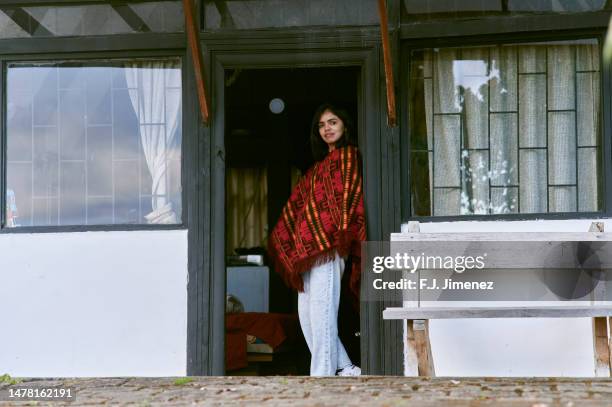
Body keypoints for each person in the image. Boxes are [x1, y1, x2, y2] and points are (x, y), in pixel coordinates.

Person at [268, 103, 366, 376]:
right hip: (308, 252)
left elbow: (346, 199)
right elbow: (306, 207)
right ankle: (345, 368)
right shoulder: (317, 168)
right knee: (308, 318)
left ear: (344, 125)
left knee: (323, 314)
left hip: (330, 248)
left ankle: (321, 376)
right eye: (322, 125)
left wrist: (338, 233)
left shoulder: (349, 158)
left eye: (332, 122)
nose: (327, 129)